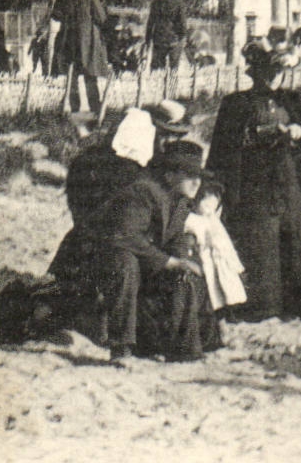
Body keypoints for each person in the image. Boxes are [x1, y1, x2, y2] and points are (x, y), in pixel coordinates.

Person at [53, 141, 222, 365]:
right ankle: (120, 348)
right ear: (170, 176)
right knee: (125, 264)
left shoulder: (180, 200)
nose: (196, 182)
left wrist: (182, 254)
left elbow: (172, 236)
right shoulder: (144, 191)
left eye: (199, 177)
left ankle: (184, 348)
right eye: (190, 175)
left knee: (186, 270)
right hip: (91, 256)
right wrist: (169, 261)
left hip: (136, 251)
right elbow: (125, 236)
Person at [206, 42, 301, 322]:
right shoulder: (236, 103)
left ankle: (299, 306)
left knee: (293, 235)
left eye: (278, 71)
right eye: (269, 71)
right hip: (253, 182)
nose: (275, 77)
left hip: (287, 181)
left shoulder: (294, 101)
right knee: (259, 238)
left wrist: (297, 133)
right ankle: (259, 308)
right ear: (256, 73)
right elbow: (224, 148)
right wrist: (258, 136)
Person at [183, 176, 246, 315]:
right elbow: (194, 238)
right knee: (210, 287)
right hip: (203, 256)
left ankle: (227, 311)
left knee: (225, 285)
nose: (209, 207)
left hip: (219, 256)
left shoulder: (212, 220)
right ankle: (210, 312)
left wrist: (233, 261)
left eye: (214, 202)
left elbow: (224, 241)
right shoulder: (192, 220)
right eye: (205, 202)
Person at [51, 0, 110, 113]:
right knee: (90, 75)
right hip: (87, 41)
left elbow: (55, 15)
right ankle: (95, 107)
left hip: (67, 39)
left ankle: (74, 108)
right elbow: (101, 18)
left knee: (71, 76)